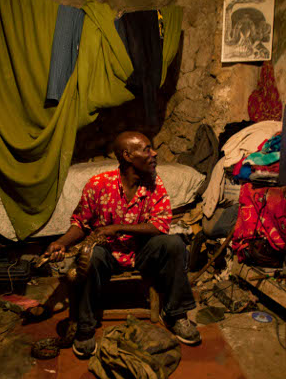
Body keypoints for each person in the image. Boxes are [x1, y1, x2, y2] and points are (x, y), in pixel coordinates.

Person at [44, 131, 200, 357]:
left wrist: (118, 228)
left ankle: (176, 314)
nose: (154, 153)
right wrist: (61, 243)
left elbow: (160, 225)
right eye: (146, 149)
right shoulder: (98, 184)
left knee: (174, 244)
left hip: (141, 251)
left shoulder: (154, 184)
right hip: (107, 253)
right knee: (90, 256)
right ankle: (85, 328)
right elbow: (80, 223)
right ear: (127, 156)